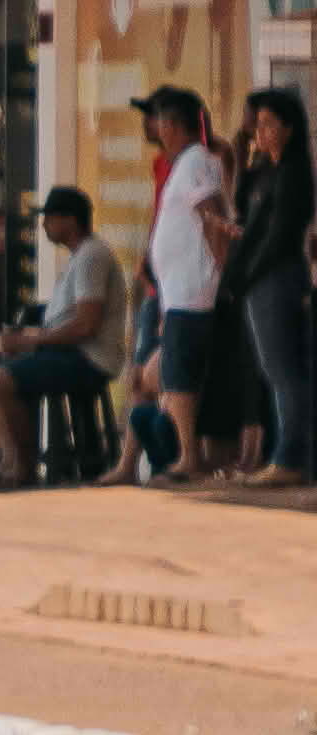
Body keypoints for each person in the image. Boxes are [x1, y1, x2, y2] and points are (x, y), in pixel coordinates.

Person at [0, 190, 125, 490]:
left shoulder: (92, 256)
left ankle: (22, 466)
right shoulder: (78, 257)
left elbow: (86, 325)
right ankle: (10, 460)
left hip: (89, 358)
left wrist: (29, 342)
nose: (43, 225)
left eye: (50, 218)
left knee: (0, 380)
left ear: (71, 221)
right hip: (66, 353)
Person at [133, 84, 239, 482]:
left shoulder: (195, 162)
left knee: (179, 374)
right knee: (170, 372)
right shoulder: (186, 163)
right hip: (178, 293)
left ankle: (189, 456)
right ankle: (187, 454)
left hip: (192, 290)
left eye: (160, 121)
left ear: (172, 125)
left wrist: (222, 268)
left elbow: (212, 215)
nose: (155, 128)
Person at [235, 87, 312, 486]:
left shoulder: (294, 175)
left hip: (278, 278)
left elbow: (280, 236)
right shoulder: (265, 172)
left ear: (289, 128)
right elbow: (245, 216)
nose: (259, 132)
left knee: (283, 370)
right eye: (258, 124)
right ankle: (285, 454)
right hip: (258, 280)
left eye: (268, 124)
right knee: (272, 370)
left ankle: (290, 458)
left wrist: (249, 274)